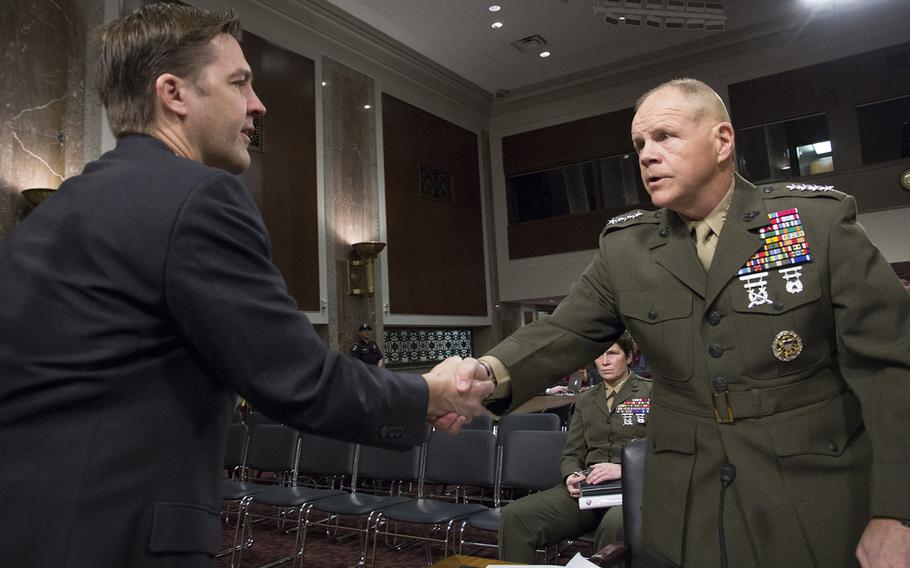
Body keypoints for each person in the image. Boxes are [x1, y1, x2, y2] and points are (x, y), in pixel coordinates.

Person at [0, 5, 492, 567]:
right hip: (118, 538)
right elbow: (297, 380)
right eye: (239, 83)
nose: (259, 104)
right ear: (174, 94)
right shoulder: (197, 198)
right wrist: (430, 393)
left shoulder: (53, 212)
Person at [461, 78, 910, 567]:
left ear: (721, 141)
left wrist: (896, 513)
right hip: (688, 504)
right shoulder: (626, 250)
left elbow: (892, 369)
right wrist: (481, 375)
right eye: (639, 145)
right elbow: (562, 332)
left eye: (665, 137)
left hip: (812, 494)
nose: (647, 156)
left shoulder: (814, 224)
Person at [499, 334, 650, 563]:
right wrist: (571, 474)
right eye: (599, 355)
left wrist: (625, 469)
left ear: (629, 357)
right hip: (589, 489)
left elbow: (669, 449)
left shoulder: (651, 393)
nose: (604, 361)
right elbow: (571, 453)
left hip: (633, 489)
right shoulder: (586, 399)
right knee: (516, 515)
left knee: (614, 525)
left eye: (612, 353)